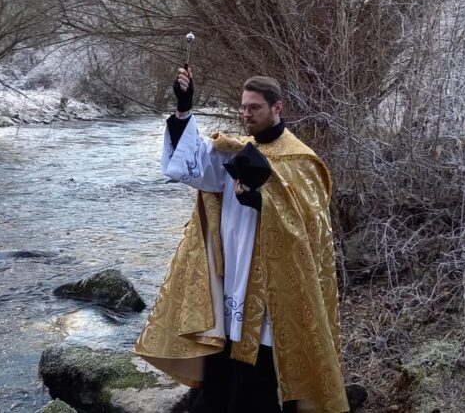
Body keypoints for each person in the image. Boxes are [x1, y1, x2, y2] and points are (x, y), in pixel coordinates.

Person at [134, 67, 348, 413]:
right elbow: (188, 166)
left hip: (270, 288)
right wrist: (183, 109)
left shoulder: (301, 160)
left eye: (255, 108)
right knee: (221, 373)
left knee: (261, 378)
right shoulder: (236, 151)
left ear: (277, 108)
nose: (247, 114)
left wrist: (262, 203)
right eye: (244, 107)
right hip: (230, 279)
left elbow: (311, 223)